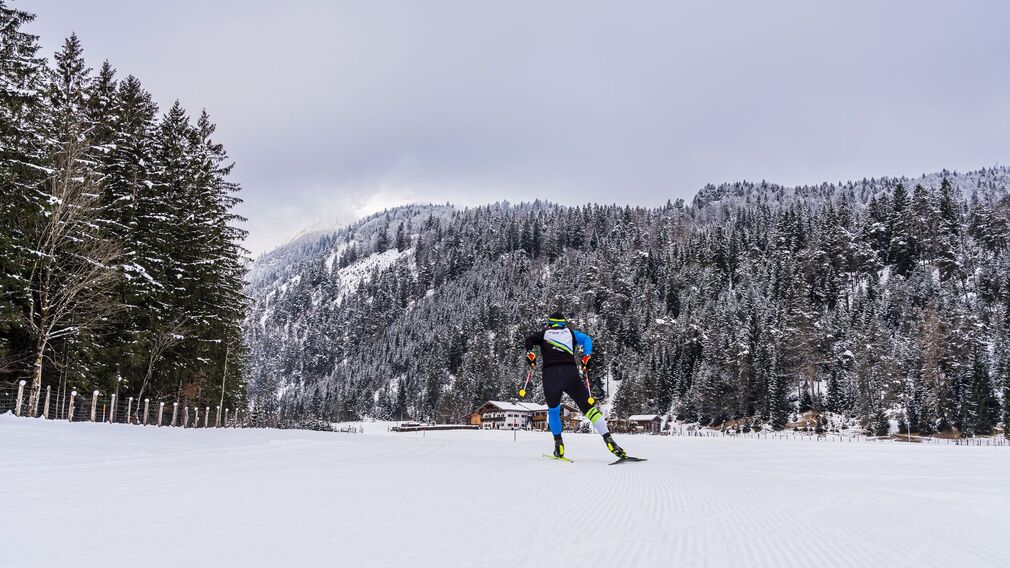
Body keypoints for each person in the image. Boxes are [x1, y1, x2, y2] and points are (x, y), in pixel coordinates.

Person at [522, 312, 626, 460]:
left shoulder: (544, 334)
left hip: (550, 377)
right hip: (570, 374)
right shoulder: (570, 332)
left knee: (553, 411)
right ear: (563, 323)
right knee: (589, 410)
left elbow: (529, 340)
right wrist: (587, 356)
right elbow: (587, 339)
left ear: (550, 323)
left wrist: (530, 353)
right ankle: (608, 438)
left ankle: (559, 445)